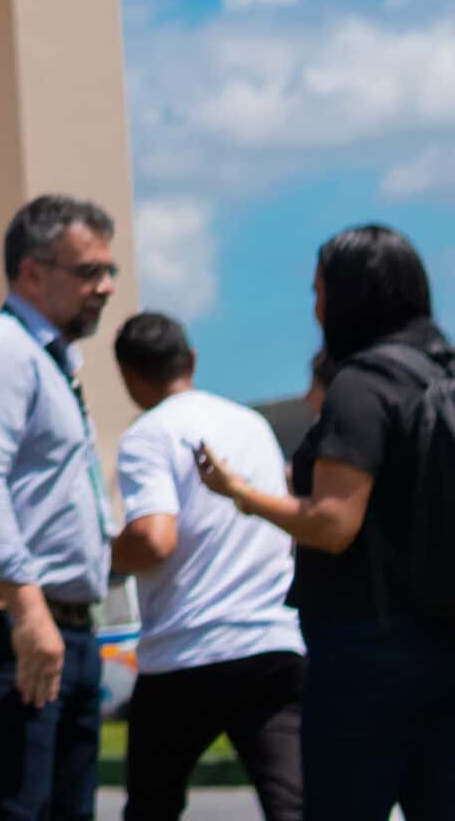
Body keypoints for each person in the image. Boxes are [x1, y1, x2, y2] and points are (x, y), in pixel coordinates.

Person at [196, 225, 455, 821]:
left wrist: (240, 493)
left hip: (372, 650)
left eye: (319, 291)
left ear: (353, 296)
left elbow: (333, 523)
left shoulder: (362, 385)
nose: (314, 307)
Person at [0, 193, 118, 821]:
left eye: (109, 271)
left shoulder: (52, 362)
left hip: (58, 629)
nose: (107, 287)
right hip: (8, 625)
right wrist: (31, 614)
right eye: (88, 271)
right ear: (31, 272)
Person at [107, 312, 303, 821]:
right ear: (191, 360)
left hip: (186, 650)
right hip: (271, 640)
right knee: (294, 805)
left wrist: (98, 554)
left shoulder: (148, 436)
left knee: (153, 807)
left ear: (128, 375)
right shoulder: (252, 424)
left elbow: (153, 539)